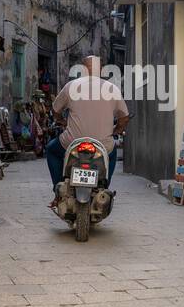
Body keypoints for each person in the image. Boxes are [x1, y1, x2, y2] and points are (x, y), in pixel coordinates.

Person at [47, 55, 129, 202]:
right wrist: (116, 130)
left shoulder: (71, 86)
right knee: (112, 152)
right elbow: (124, 118)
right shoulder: (112, 89)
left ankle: (58, 189)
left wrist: (61, 121)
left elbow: (56, 110)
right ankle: (104, 187)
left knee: (52, 150)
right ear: (102, 70)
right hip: (102, 145)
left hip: (73, 143)